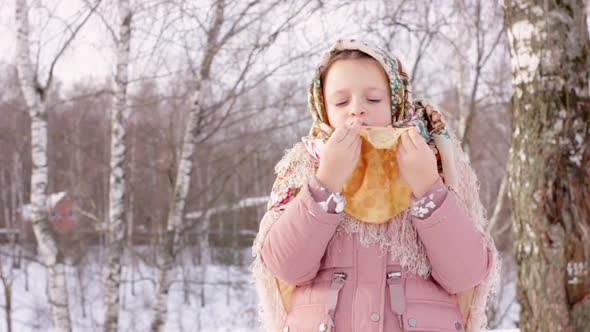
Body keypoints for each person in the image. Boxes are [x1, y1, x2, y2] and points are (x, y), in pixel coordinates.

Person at [251, 39, 500, 332]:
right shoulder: (305, 165)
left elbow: (466, 275)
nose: (356, 110)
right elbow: (286, 267)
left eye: (373, 100)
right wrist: (326, 182)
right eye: (341, 102)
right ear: (322, 106)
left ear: (396, 101)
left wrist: (429, 187)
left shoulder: (436, 158)